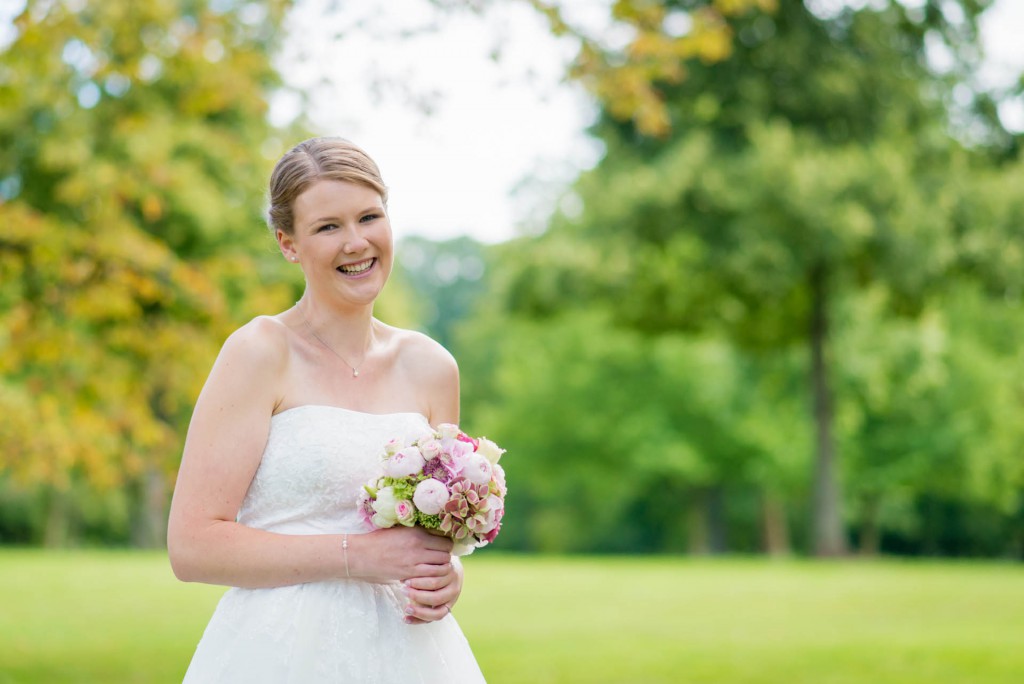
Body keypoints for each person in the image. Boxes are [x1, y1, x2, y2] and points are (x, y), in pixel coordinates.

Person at [167, 137, 486, 683]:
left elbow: (434, 536)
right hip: (281, 649)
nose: (356, 242)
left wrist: (446, 573)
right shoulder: (259, 352)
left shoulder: (432, 366)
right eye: (328, 227)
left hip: (410, 653)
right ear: (288, 244)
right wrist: (353, 557)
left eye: (369, 216)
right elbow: (192, 545)